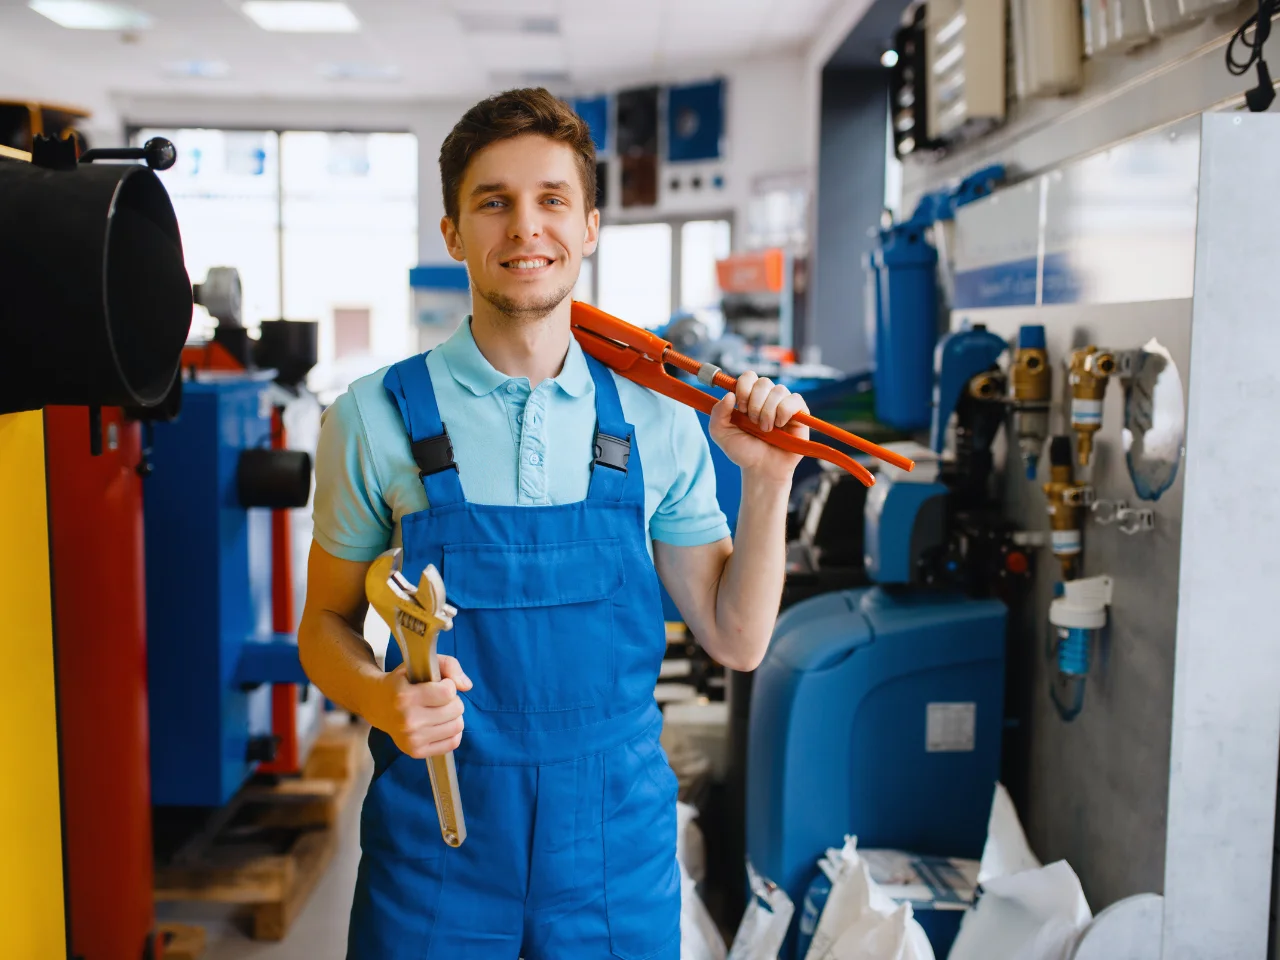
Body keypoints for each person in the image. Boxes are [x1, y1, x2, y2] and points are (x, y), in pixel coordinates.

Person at [298, 86, 810, 960]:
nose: (525, 227)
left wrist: (767, 483)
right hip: (437, 854)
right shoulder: (373, 418)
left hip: (612, 861)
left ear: (590, 226)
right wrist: (383, 699)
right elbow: (325, 627)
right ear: (455, 233)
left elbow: (737, 638)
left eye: (551, 200)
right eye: (492, 202)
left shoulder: (656, 418)